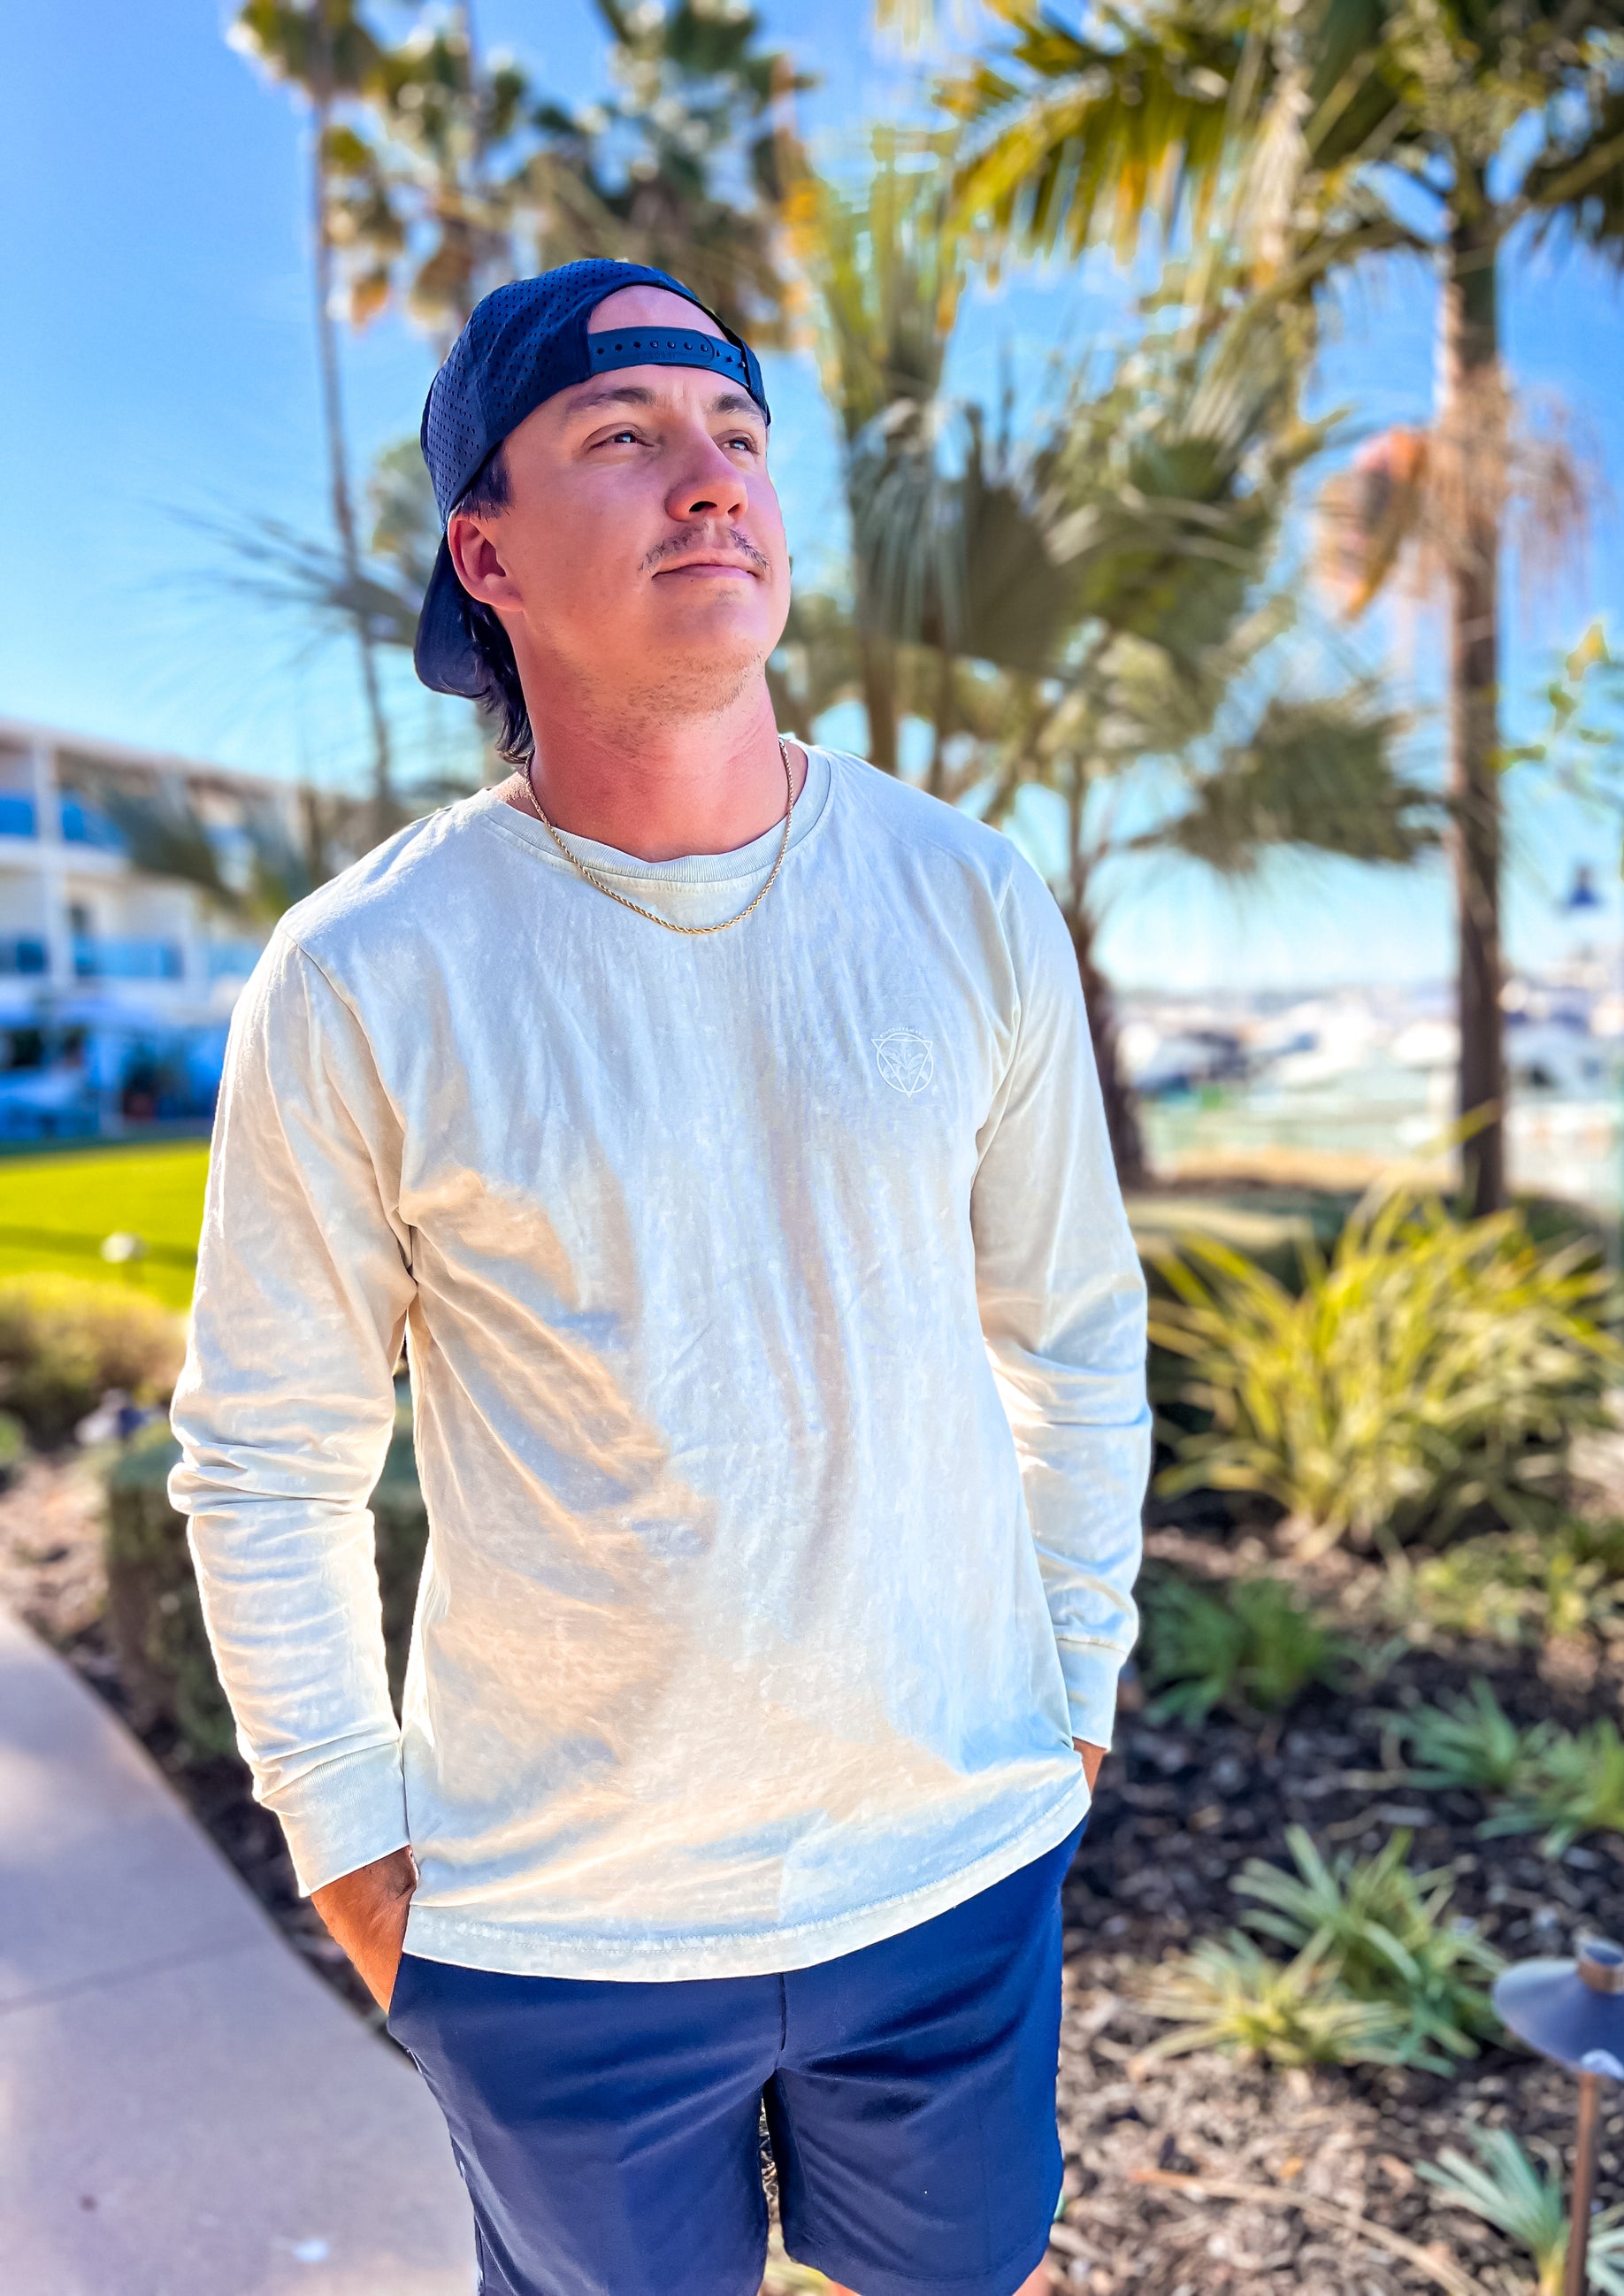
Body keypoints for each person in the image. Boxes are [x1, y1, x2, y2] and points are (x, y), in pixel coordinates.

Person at [170, 257, 1151, 2296]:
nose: (709, 477)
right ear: (487, 554)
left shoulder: (968, 897)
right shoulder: (362, 975)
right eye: (622, 434)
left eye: (737, 434)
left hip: (953, 1867)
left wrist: (1070, 1694)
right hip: (559, 1935)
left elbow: (1069, 1333)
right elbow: (267, 1453)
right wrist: (356, 1857)